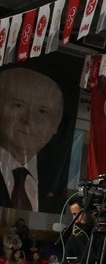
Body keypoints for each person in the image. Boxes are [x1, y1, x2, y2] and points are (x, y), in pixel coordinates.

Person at [0, 68, 66, 212]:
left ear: (56, 124)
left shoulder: (57, 180)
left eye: (42, 111)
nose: (29, 120)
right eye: (18, 105)